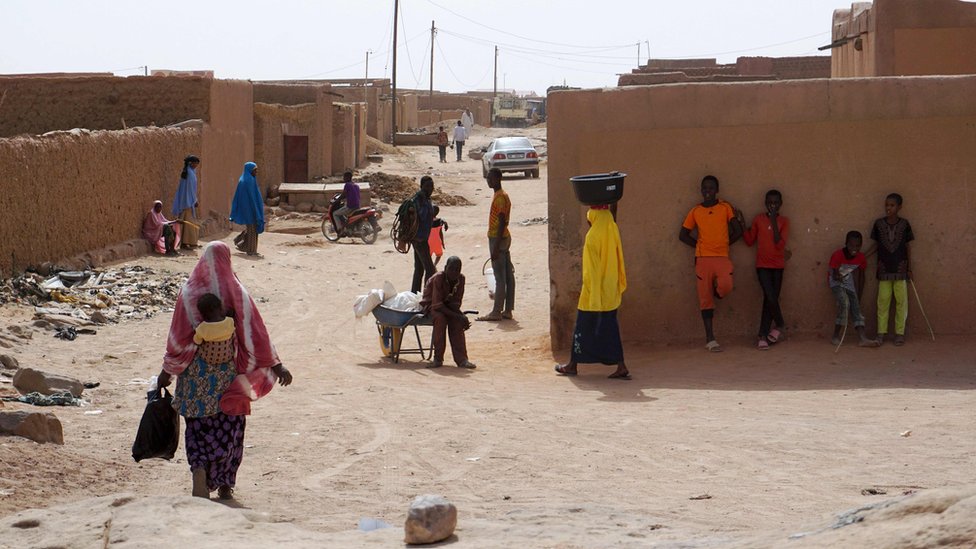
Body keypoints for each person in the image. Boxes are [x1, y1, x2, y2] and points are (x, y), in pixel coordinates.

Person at [156, 242, 293, 500]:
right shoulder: (237, 292)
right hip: (227, 378)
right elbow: (256, 334)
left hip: (194, 380)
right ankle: (225, 482)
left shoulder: (188, 293)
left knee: (197, 428)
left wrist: (166, 373)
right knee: (230, 428)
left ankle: (199, 468)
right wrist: (277, 365)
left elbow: (177, 337)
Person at [554, 205, 630, 379]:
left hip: (594, 293)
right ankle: (621, 365)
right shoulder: (612, 229)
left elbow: (592, 270)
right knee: (610, 328)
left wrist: (594, 298)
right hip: (610, 289)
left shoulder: (592, 236)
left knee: (583, 328)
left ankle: (572, 365)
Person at [678, 175, 743, 352]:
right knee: (705, 299)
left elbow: (738, 231)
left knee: (726, 285)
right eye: (705, 188)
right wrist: (699, 245)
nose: (708, 191)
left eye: (711, 188)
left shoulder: (725, 207)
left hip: (722, 257)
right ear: (701, 190)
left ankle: (717, 294)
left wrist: (724, 244)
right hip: (703, 259)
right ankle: (710, 339)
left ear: (717, 190)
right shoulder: (695, 211)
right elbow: (682, 235)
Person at [742, 189, 789, 350]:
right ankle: (780, 323)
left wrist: (774, 221)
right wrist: (742, 225)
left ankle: (763, 335)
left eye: (775, 202)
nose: (772, 205)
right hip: (762, 266)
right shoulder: (758, 219)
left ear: (780, 204)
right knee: (770, 297)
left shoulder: (784, 221)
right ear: (765, 203)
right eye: (769, 202)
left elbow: (779, 244)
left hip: (778, 267)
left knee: (769, 300)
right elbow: (749, 241)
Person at [868, 193, 914, 346]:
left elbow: (907, 247)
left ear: (899, 207)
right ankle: (881, 333)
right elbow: (876, 245)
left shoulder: (905, 224)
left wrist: (909, 268)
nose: (888, 208)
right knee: (882, 302)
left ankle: (899, 333)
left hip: (901, 270)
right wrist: (863, 256)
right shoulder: (878, 224)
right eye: (887, 205)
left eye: (892, 205)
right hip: (884, 270)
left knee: (902, 303)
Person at [420, 256, 477, 369]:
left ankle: (462, 360)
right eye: (451, 269)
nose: (454, 272)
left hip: (447, 306)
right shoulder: (438, 278)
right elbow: (437, 305)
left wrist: (460, 317)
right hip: (431, 305)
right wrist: (458, 315)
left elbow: (455, 303)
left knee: (457, 322)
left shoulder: (461, 279)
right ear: (445, 268)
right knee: (440, 319)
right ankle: (438, 358)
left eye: (457, 270)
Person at [829, 231, 879, 347]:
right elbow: (835, 275)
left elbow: (861, 277)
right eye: (851, 245)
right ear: (846, 244)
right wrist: (839, 277)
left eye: (858, 246)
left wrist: (858, 295)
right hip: (836, 282)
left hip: (848, 282)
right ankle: (835, 336)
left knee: (856, 307)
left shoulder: (861, 258)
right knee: (845, 303)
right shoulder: (837, 255)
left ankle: (862, 338)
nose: (854, 249)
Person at [478, 168, 515, 321]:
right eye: (488, 178)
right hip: (504, 237)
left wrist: (496, 247)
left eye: (491, 178)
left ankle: (496, 312)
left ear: (498, 179)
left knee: (500, 277)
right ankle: (508, 310)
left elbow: (500, 222)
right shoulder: (502, 195)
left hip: (497, 238)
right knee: (508, 275)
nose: (489, 181)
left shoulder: (500, 198)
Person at [229, 162, 265, 257]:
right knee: (252, 230)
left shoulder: (247, 179)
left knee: (252, 229)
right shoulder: (248, 181)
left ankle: (244, 245)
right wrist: (256, 210)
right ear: (249, 170)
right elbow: (251, 198)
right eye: (255, 170)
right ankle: (251, 250)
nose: (256, 172)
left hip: (249, 208)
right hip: (250, 209)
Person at [410, 176, 437, 293]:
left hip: (420, 238)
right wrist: (432, 210)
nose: (430, 189)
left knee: (419, 269)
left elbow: (427, 220)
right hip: (419, 239)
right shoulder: (420, 199)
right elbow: (422, 216)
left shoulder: (425, 199)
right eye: (427, 186)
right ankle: (427, 295)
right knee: (430, 269)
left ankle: (414, 294)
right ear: (421, 186)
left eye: (431, 186)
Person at [173, 155, 201, 249]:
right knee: (188, 224)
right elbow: (189, 190)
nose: (196, 165)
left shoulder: (190, 172)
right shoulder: (189, 173)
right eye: (195, 163)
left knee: (187, 224)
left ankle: (188, 243)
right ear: (190, 163)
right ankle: (186, 243)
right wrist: (194, 200)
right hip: (187, 202)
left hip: (186, 201)